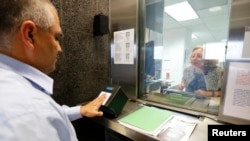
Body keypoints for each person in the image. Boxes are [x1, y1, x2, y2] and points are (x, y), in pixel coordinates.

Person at [0, 0, 107, 140]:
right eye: (56, 37)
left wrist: (80, 110)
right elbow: (38, 113)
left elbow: (48, 114)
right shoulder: (32, 112)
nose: (60, 48)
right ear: (29, 35)